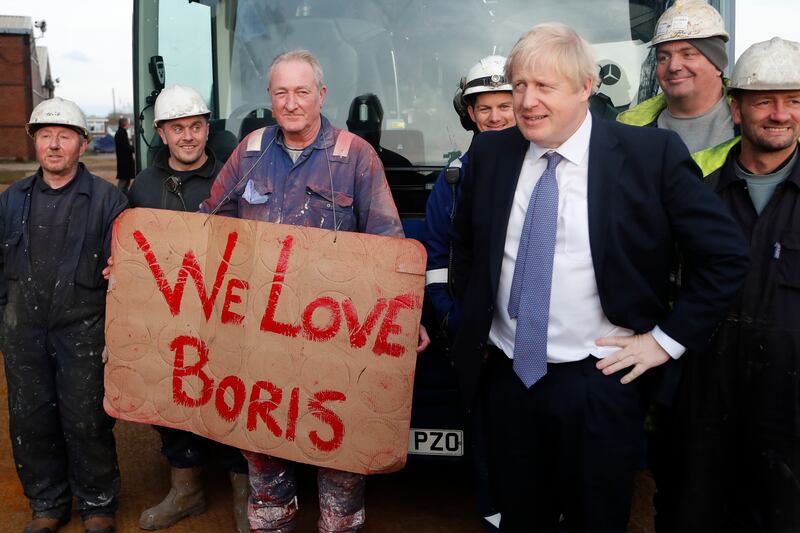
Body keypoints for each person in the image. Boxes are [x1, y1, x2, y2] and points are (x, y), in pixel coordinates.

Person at [449, 23, 749, 532]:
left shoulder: (648, 156)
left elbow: (725, 257)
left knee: (597, 519)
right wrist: (474, 324)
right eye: (520, 85)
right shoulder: (490, 154)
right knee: (521, 517)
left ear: (586, 87)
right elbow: (467, 247)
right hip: (506, 379)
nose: (526, 101)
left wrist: (666, 341)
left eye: (545, 87)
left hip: (598, 385)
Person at [199, 49, 429, 532]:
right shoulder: (250, 153)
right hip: (262, 334)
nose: (292, 102)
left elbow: (388, 243)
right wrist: (142, 264)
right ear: (270, 98)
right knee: (264, 448)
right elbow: (205, 224)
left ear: (321, 95)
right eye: (281, 92)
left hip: (336, 337)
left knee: (340, 451)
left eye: (302, 91)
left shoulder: (354, 157)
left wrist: (407, 316)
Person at [658, 37, 800, 533]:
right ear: (736, 110)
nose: (779, 114)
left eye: (794, 101)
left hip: (790, 415)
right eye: (763, 100)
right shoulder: (696, 193)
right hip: (699, 405)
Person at [0, 97, 127, 533]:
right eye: (46, 136)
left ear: (82, 144)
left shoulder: (109, 200)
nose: (54, 145)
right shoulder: (11, 199)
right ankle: (47, 503)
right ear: (36, 143)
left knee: (87, 416)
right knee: (31, 416)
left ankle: (97, 503)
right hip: (23, 328)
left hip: (84, 326)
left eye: (65, 136)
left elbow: (126, 272)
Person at [128, 85, 250, 533]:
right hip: (168, 318)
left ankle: (244, 494)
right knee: (171, 397)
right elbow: (132, 250)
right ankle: (187, 489)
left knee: (233, 397)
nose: (188, 136)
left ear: (206, 128)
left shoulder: (233, 178)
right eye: (177, 128)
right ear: (161, 132)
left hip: (227, 315)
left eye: (196, 126)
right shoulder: (142, 186)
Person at [421, 54, 514, 532]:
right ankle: (494, 515)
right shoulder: (454, 179)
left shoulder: (550, 167)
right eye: (485, 107)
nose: (496, 117)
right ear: (469, 114)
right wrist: (453, 319)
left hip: (538, 338)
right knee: (484, 428)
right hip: (477, 338)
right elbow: (436, 258)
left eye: (506, 104)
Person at [617, 0, 735, 153]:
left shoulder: (754, 121)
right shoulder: (628, 129)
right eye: (663, 58)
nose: (673, 67)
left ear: (717, 64)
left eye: (688, 54)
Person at [114, 116, 135, 193]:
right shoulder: (121, 133)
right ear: (125, 124)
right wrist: (134, 148)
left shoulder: (121, 132)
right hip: (124, 162)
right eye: (128, 123)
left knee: (126, 181)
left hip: (124, 161)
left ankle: (124, 196)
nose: (129, 124)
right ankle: (119, 196)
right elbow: (125, 148)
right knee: (123, 181)